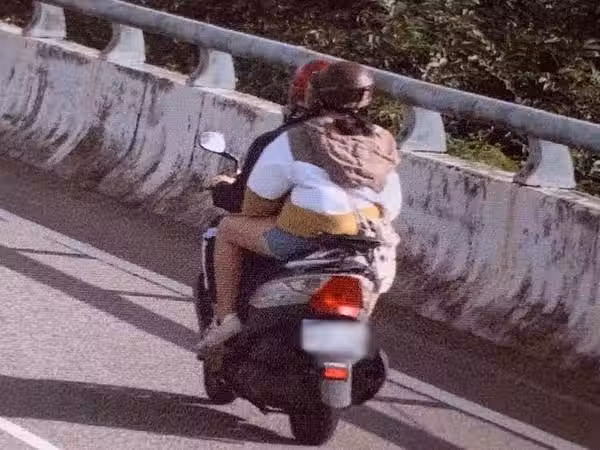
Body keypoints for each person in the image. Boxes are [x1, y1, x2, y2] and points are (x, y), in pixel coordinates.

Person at [196, 61, 402, 354]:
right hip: (367, 240)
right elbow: (392, 205)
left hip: (308, 236)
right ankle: (345, 340)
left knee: (228, 229)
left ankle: (226, 321)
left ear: (314, 95)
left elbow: (256, 203)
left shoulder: (297, 136)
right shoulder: (382, 140)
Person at [210, 59, 331, 213]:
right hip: (353, 222)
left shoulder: (277, 140)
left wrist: (220, 185)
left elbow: (240, 201)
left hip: (299, 222)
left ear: (296, 94)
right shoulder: (357, 139)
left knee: (228, 224)